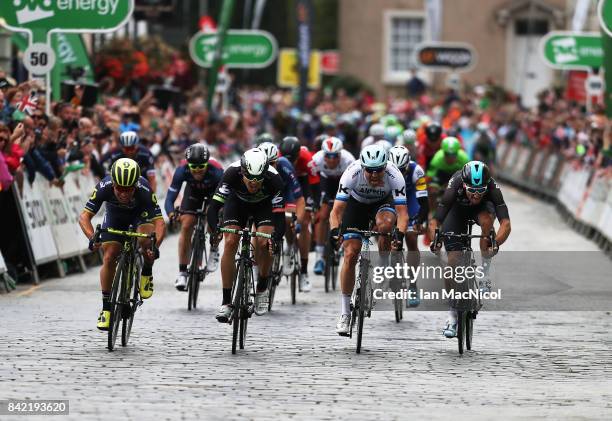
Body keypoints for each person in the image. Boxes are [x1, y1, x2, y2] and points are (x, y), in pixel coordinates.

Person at [329, 144, 408, 335]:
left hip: (383, 203)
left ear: (385, 167)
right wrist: (333, 231)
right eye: (370, 171)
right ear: (363, 167)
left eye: (378, 171)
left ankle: (382, 264)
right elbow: (337, 210)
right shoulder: (351, 173)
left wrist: (400, 234)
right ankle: (345, 313)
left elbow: (403, 214)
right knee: (350, 253)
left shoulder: (394, 175)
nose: (374, 175)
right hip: (356, 205)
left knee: (385, 226)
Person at [78, 158, 166, 330]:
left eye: (128, 190)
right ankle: (106, 309)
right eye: (119, 189)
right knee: (109, 256)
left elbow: (160, 223)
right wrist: (92, 237)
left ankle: (146, 271)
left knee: (146, 241)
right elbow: (84, 217)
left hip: (140, 215)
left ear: (135, 186)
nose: (124, 194)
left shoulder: (145, 189)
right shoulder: (104, 186)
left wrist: (155, 248)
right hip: (115, 216)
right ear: (113, 185)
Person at [429, 161, 511, 338]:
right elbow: (436, 220)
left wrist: (496, 242)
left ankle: (485, 274)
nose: (475, 195)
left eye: (480, 191)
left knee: (487, 223)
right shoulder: (455, 184)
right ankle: (451, 316)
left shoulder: (492, 188)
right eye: (472, 190)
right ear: (464, 185)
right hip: (457, 211)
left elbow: (506, 223)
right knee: (452, 264)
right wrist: (436, 239)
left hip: (482, 211)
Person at [207, 148, 286, 320]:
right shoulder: (231, 174)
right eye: (250, 179)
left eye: (258, 180)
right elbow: (213, 208)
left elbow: (280, 218)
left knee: (263, 241)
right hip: (237, 205)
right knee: (230, 242)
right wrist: (215, 230)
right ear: (242, 172)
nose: (254, 183)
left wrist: (276, 238)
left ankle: (263, 286)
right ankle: (226, 302)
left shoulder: (274, 179)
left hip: (263, 207)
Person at [164, 143, 224, 291]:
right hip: (192, 194)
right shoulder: (181, 170)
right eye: (194, 167)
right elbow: (169, 198)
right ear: (188, 165)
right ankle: (182, 272)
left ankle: (214, 248)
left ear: (207, 164)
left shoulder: (217, 171)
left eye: (201, 167)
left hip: (213, 194)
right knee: (186, 225)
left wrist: (219, 215)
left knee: (212, 218)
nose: (197, 171)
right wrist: (172, 213)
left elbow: (225, 198)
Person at [388, 145, 428, 306]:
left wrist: (419, 220)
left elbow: (424, 202)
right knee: (386, 235)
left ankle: (412, 285)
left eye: (402, 169)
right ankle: (389, 270)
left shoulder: (416, 171)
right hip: (391, 201)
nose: (399, 173)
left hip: (410, 201)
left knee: (411, 238)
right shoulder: (384, 171)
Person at [278, 136, 320, 292]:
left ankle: (303, 272)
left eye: (294, 159)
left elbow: (316, 185)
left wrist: (314, 206)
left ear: (298, 155)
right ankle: (289, 244)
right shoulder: (277, 158)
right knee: (285, 215)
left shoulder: (307, 159)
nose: (291, 162)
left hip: (303, 182)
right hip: (285, 181)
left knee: (303, 223)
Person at [258, 141, 305, 276]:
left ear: (277, 161)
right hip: (265, 196)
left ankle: (289, 249)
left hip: (285, 193)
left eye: (273, 163)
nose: (269, 168)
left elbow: (300, 199)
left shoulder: (285, 166)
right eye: (266, 164)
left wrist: (298, 223)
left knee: (288, 218)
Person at [310, 136, 355, 275]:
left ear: (340, 154)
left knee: (344, 211)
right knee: (323, 215)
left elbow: (354, 185)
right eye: (328, 156)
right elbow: (311, 182)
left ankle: (340, 241)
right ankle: (319, 256)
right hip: (325, 182)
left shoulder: (349, 161)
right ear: (323, 154)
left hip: (344, 182)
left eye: (335, 156)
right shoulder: (316, 160)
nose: (331, 159)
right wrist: (315, 201)